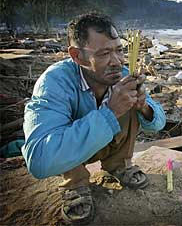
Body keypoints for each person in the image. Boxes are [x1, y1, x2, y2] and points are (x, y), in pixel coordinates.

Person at [22, 13, 166, 224]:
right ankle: (75, 183)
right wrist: (109, 112)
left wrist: (143, 106)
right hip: (74, 155)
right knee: (106, 106)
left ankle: (119, 165)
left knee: (127, 97)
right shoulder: (54, 83)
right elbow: (40, 161)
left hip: (106, 143)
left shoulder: (122, 75)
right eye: (104, 53)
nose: (116, 62)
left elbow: (159, 123)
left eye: (119, 50)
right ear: (77, 56)